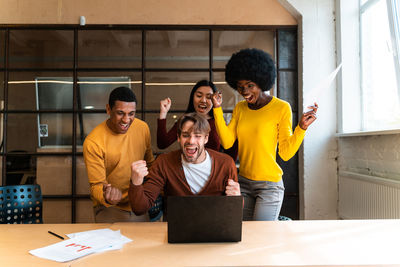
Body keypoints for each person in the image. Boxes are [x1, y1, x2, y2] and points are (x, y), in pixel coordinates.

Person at [212, 48, 318, 221]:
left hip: (269, 186)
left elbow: (285, 153)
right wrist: (217, 109)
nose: (245, 92)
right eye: (240, 87)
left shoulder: (281, 108)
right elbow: (227, 142)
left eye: (250, 86)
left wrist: (301, 128)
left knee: (262, 235)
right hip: (244, 182)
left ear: (262, 81)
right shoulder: (240, 108)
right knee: (246, 234)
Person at [129, 112, 240, 216]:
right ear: (178, 137)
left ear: (206, 138)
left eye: (197, 136)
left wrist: (237, 199)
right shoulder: (164, 162)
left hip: (216, 230)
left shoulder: (225, 163)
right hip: (175, 232)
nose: (191, 141)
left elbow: (234, 211)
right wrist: (136, 183)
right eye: (186, 135)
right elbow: (140, 209)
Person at [83, 86, 154, 223]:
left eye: (131, 114)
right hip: (110, 207)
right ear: (109, 109)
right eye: (120, 113)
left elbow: (150, 164)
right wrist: (107, 196)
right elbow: (96, 186)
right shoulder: (93, 142)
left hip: (137, 202)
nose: (126, 120)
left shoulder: (143, 128)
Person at [157, 79, 237, 161]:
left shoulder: (218, 123)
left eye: (209, 97)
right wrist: (163, 113)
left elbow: (231, 152)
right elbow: (162, 143)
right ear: (192, 98)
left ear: (214, 100)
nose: (203, 100)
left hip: (213, 171)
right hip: (188, 168)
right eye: (199, 96)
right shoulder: (185, 121)